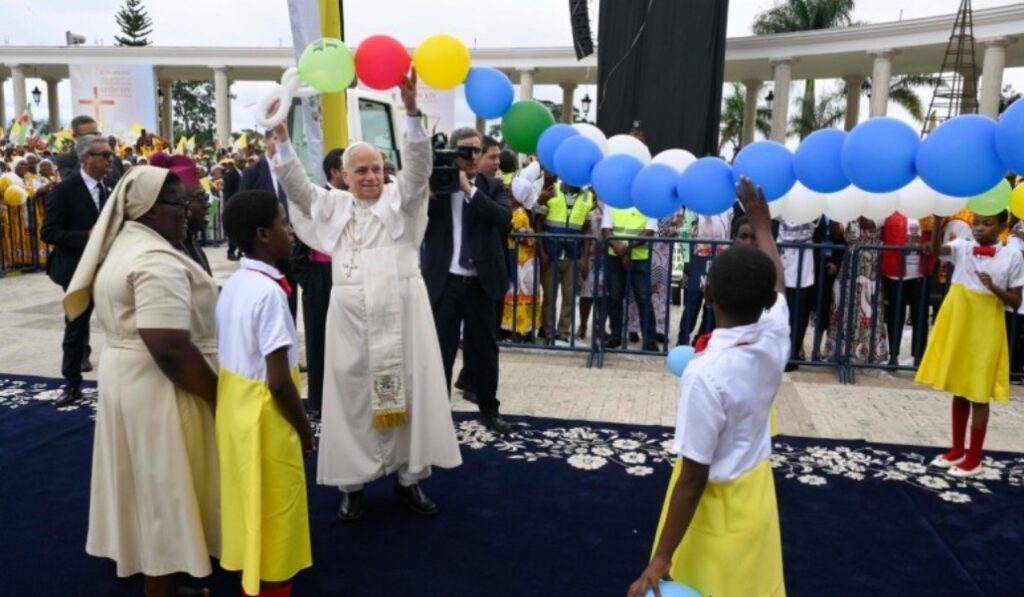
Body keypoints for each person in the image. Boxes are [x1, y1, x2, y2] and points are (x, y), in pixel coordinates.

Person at [266, 72, 462, 521]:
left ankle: (410, 479)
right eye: (361, 170)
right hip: (351, 319)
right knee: (350, 396)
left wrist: (411, 114)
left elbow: (419, 170)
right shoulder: (333, 205)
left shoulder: (402, 201)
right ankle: (352, 485)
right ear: (344, 175)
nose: (371, 176)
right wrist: (282, 142)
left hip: (403, 310)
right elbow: (297, 189)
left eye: (376, 168)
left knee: (410, 390)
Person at [63, 166, 220, 597]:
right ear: (149, 209)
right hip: (160, 385)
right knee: (164, 489)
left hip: (128, 375)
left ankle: (162, 580)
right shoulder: (155, 261)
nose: (187, 211)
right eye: (177, 203)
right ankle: (160, 584)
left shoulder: (127, 244)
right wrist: (218, 396)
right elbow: (169, 346)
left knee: (146, 484)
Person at [628, 178, 787, 597]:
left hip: (713, 510)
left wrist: (661, 558)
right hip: (756, 496)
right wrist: (763, 228)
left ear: (708, 294)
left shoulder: (705, 374)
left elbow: (694, 475)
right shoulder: (776, 335)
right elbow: (779, 288)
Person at [217, 189, 314, 597]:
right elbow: (279, 381)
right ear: (262, 234)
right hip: (267, 419)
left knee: (247, 504)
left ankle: (250, 580)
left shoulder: (236, 283)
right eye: (282, 223)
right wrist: (305, 431)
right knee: (276, 514)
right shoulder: (269, 294)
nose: (289, 231)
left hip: (235, 411)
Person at [918, 210, 1023, 478]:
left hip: (986, 325)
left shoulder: (1012, 256)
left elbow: (1016, 301)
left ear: (1002, 226)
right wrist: (938, 221)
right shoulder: (962, 247)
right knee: (959, 387)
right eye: (976, 223)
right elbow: (935, 251)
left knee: (978, 391)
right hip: (960, 318)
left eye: (987, 223)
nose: (979, 228)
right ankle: (957, 450)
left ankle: (974, 458)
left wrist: (993, 287)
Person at [423, 126, 513, 433]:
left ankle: (489, 411)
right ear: (452, 153)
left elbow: (503, 218)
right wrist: (429, 190)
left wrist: (469, 190)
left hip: (480, 282)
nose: (473, 156)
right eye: (466, 151)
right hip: (445, 282)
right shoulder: (437, 185)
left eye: (477, 150)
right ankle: (437, 415)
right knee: (441, 352)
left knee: (484, 351)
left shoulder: (492, 186)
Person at [42, 134, 113, 407]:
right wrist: (87, 237)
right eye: (105, 155)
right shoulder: (64, 191)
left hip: (108, 268)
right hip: (77, 269)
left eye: (110, 154)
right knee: (76, 326)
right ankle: (72, 384)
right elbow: (49, 232)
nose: (111, 159)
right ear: (87, 158)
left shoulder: (110, 188)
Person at [291, 147, 346, 417]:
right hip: (319, 276)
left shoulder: (356, 198)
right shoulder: (316, 199)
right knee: (318, 340)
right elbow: (298, 246)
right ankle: (320, 402)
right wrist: (310, 281)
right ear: (335, 171)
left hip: (348, 274)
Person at [241, 134, 299, 320]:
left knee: (289, 297)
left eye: (281, 138)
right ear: (265, 141)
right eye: (274, 138)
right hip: (264, 247)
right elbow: (244, 208)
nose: (278, 142)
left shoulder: (291, 171)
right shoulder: (252, 173)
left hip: (289, 245)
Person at [822, 218, 890, 365]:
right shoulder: (849, 213)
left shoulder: (879, 212)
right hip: (848, 266)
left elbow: (866, 224)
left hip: (868, 267)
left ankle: (865, 352)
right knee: (844, 307)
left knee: (865, 308)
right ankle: (841, 351)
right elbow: (837, 232)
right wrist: (834, 213)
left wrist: (857, 206)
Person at [539, 181, 593, 342]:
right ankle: (548, 332)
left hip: (573, 254)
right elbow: (538, 222)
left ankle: (563, 333)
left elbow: (587, 228)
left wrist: (585, 258)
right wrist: (542, 252)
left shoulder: (587, 196)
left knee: (569, 298)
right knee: (549, 297)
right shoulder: (552, 188)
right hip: (551, 253)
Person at [602, 205, 659, 351]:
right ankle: (615, 336)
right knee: (615, 297)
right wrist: (620, 250)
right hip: (615, 256)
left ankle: (649, 339)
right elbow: (606, 230)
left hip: (639, 257)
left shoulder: (647, 202)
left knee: (643, 298)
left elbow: (649, 232)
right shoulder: (613, 201)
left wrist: (625, 249)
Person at [881, 212, 930, 366]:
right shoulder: (891, 212)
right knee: (895, 315)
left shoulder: (927, 213)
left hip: (921, 273)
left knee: (920, 316)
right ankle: (893, 355)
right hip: (896, 273)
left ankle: (918, 357)